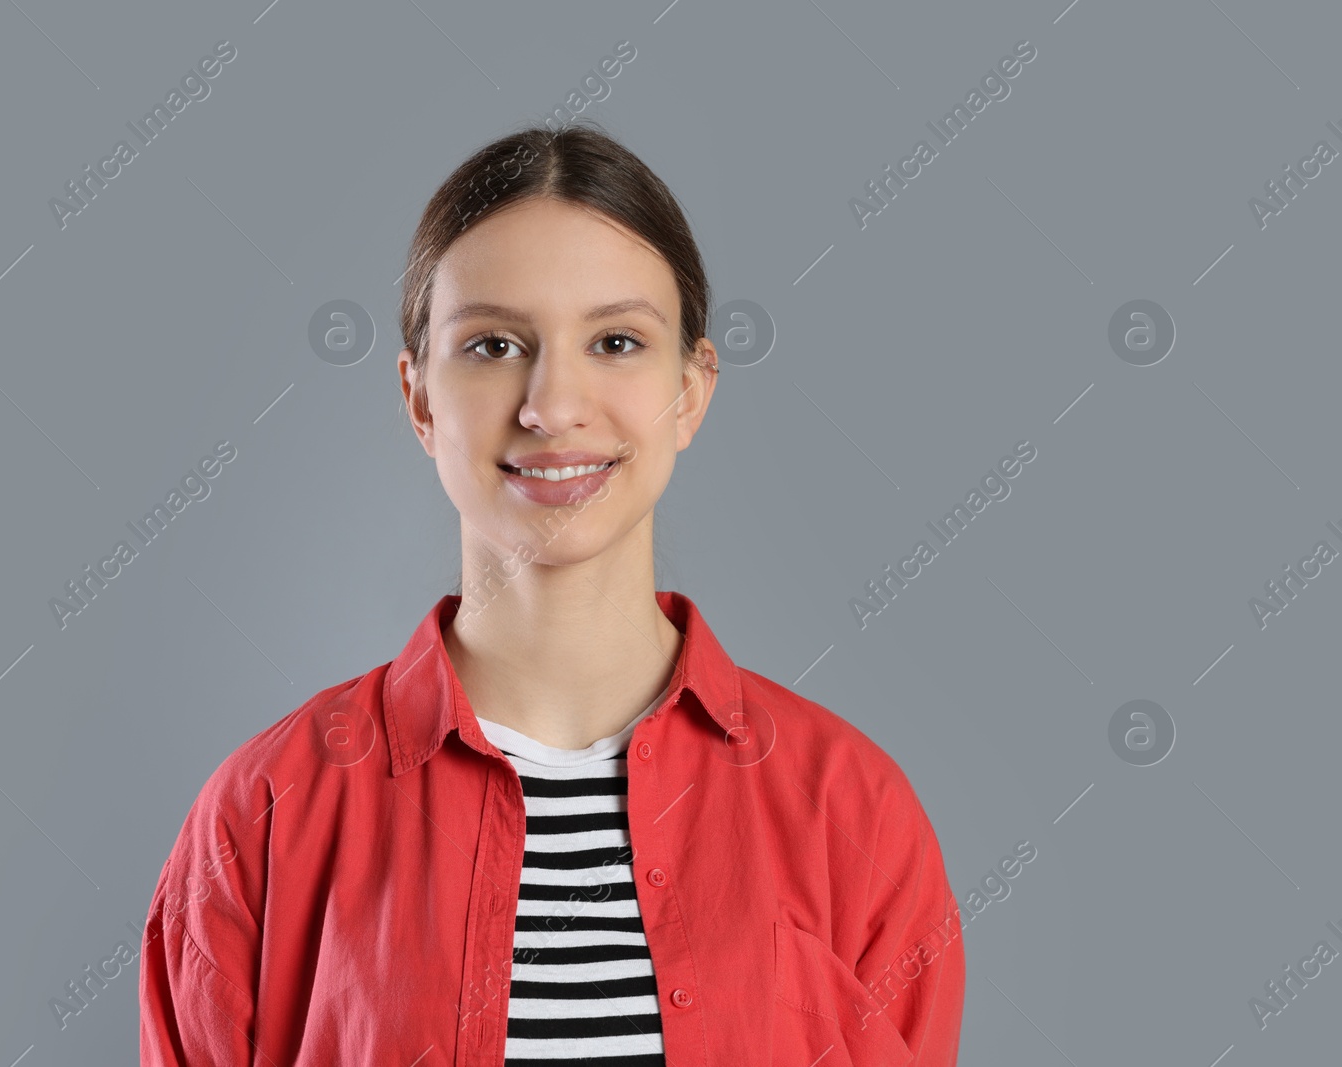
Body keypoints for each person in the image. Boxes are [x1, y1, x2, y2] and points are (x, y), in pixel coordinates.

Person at [138, 120, 965, 1066]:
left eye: (616, 340)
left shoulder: (852, 812)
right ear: (418, 399)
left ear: (691, 391)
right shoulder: (261, 817)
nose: (552, 403)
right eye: (492, 345)